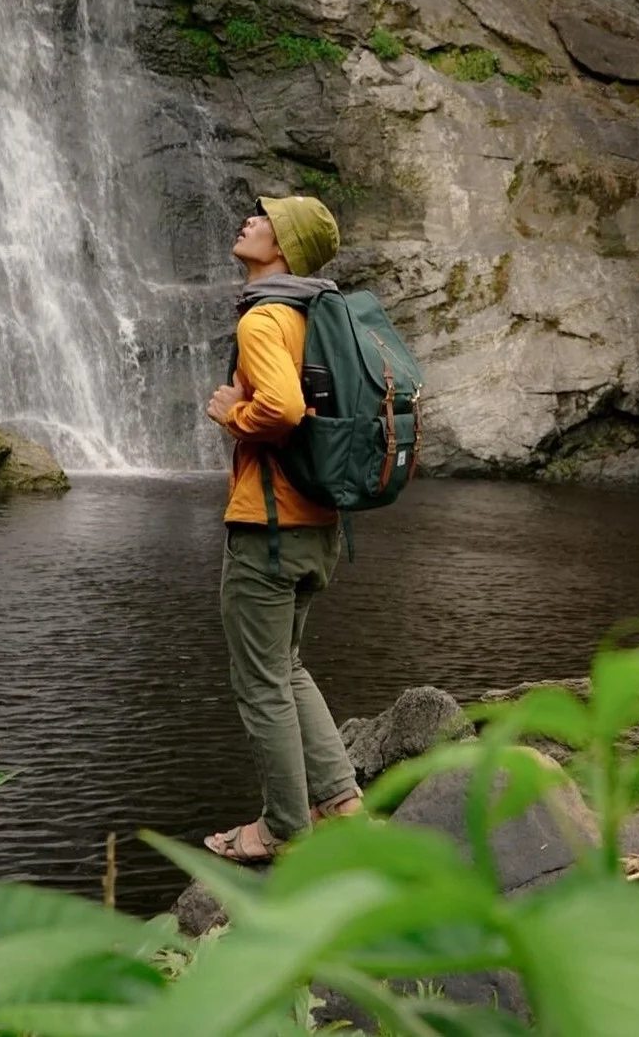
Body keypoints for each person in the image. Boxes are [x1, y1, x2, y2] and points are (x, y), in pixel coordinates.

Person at [203, 195, 362, 863]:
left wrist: (232, 413)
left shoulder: (265, 317)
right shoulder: (313, 314)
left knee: (259, 681)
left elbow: (284, 407)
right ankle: (343, 800)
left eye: (264, 218)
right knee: (287, 668)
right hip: (317, 524)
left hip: (267, 526)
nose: (249, 219)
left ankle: (282, 828)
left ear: (284, 247)